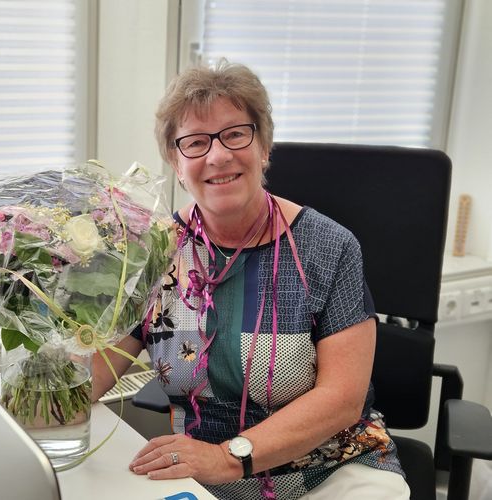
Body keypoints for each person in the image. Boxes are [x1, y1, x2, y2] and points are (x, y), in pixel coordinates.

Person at [92, 60, 410, 500]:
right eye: (196, 142)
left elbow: (342, 398)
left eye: (235, 134)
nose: (218, 156)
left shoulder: (329, 247)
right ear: (175, 160)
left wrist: (228, 456)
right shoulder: (151, 252)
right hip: (200, 476)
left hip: (330, 469)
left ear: (264, 146)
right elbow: (93, 372)